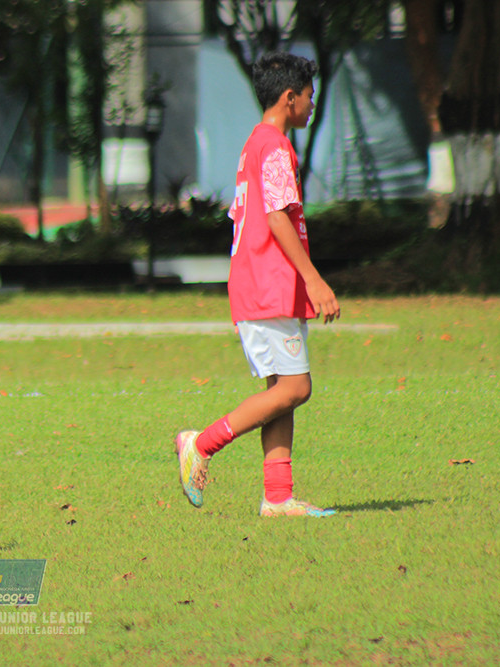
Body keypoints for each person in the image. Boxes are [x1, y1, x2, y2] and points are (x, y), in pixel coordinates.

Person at [175, 52, 340, 518]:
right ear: (290, 99)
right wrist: (315, 280)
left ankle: (278, 497)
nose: (311, 105)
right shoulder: (275, 148)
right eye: (309, 97)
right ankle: (200, 444)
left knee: (280, 391)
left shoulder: (255, 143)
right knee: (296, 388)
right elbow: (275, 217)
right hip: (268, 285)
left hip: (264, 285)